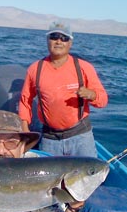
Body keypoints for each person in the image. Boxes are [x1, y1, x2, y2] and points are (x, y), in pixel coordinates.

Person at [19, 21, 108, 157]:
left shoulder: (84, 68)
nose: (59, 41)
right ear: (47, 40)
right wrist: (25, 133)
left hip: (80, 137)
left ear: (70, 43)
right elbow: (25, 102)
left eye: (64, 38)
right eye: (54, 37)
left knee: (90, 177)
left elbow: (103, 101)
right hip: (50, 139)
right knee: (50, 179)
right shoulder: (34, 69)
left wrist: (92, 95)